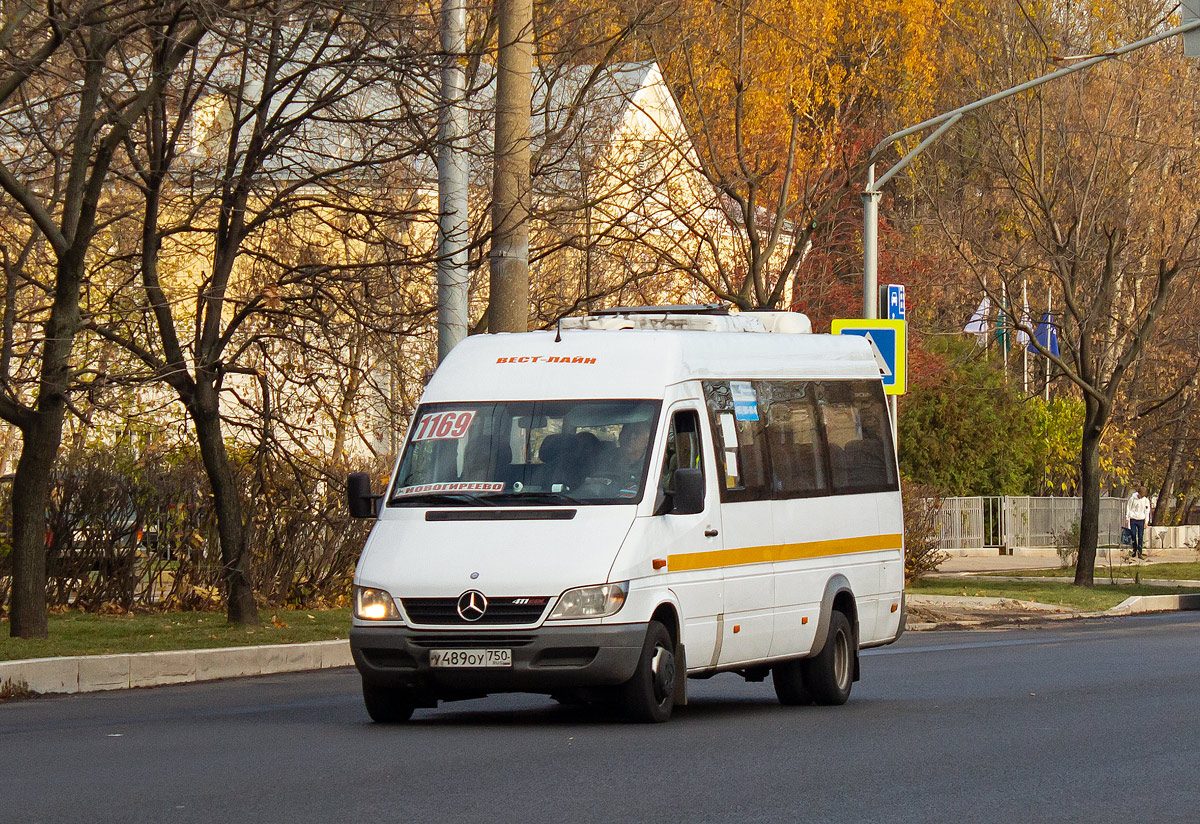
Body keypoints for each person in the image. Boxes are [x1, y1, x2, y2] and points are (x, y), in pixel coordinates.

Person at [1126, 485, 1151, 560]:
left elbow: (1147, 511)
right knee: (1133, 534)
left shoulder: (1145, 500)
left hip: (1141, 519)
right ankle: (1134, 550)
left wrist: (1146, 521)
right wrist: (1127, 518)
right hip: (1133, 518)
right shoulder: (1132, 499)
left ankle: (1140, 552)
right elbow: (1128, 508)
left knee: (1140, 536)